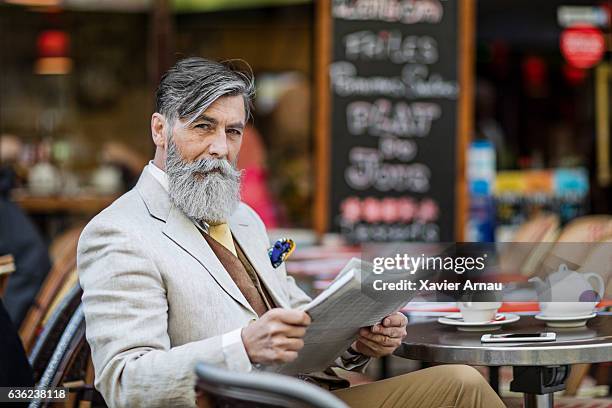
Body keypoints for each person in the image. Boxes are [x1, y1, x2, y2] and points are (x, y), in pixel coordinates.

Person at [77, 57, 506, 408]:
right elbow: (124, 382)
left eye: (232, 131)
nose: (220, 149)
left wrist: (360, 338)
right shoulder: (120, 231)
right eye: (202, 126)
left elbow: (305, 326)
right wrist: (242, 347)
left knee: (462, 384)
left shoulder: (242, 218)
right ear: (160, 129)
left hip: (306, 396)